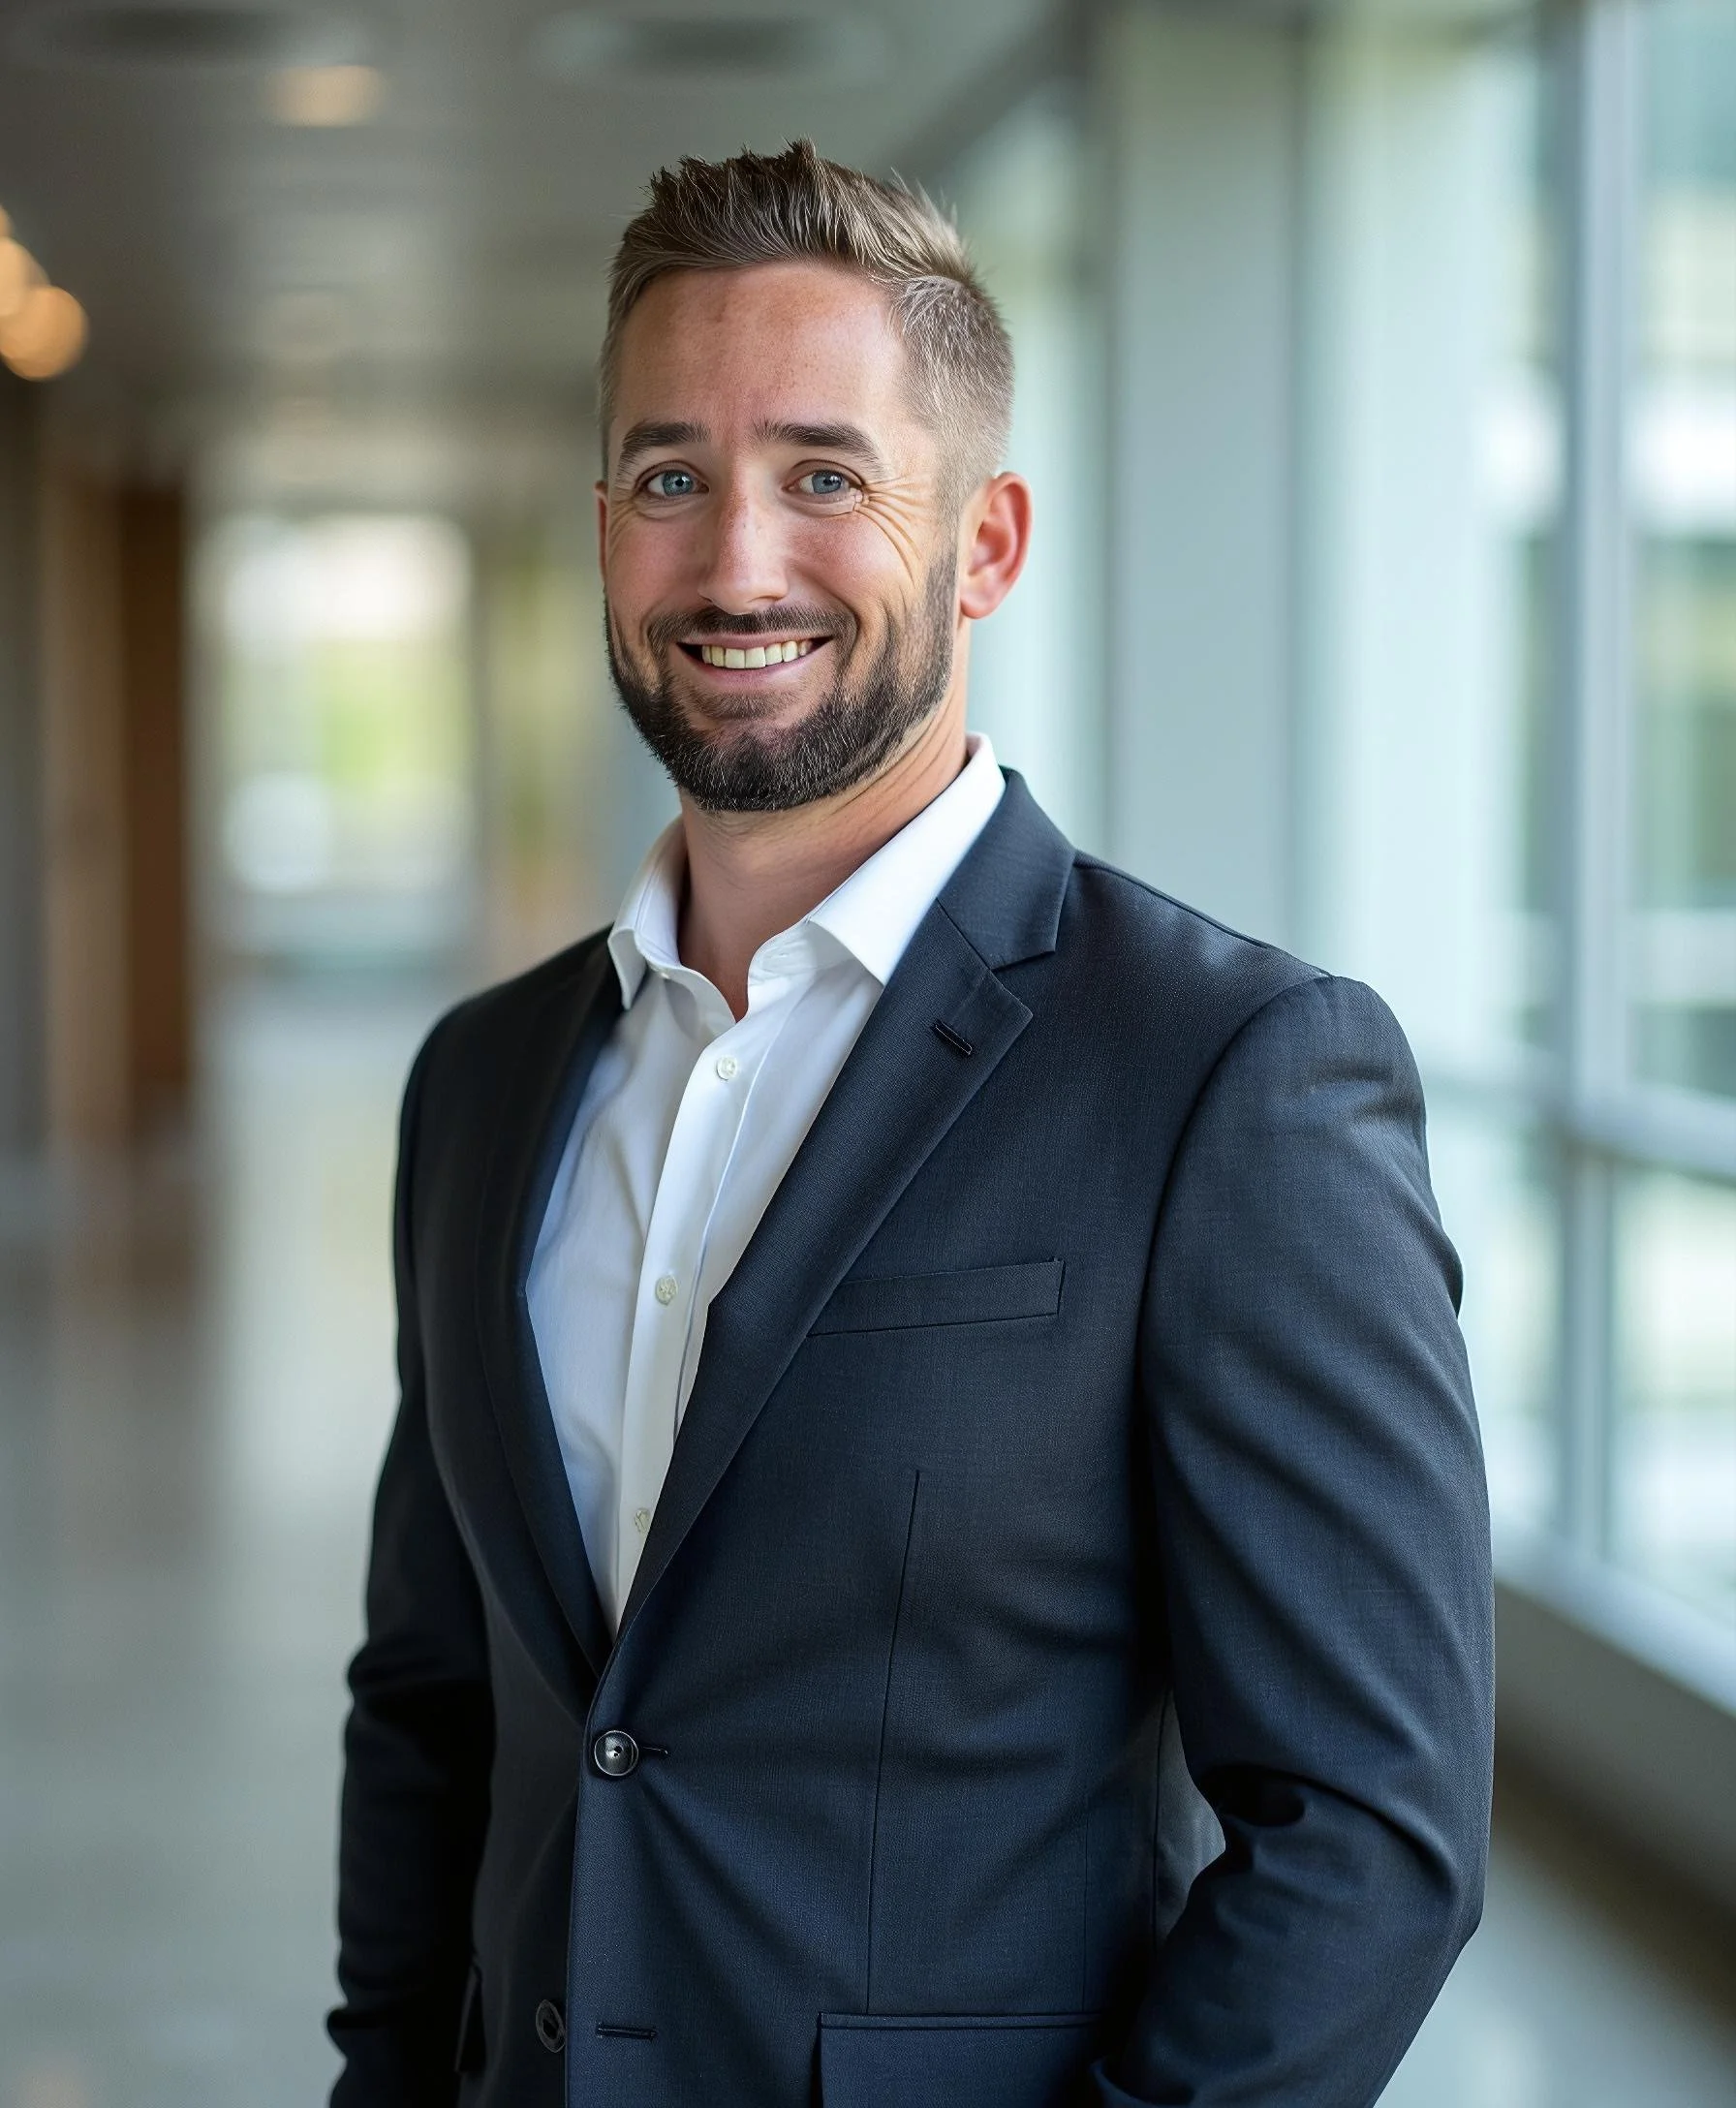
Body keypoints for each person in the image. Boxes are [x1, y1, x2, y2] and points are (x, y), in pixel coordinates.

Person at [328, 141, 1493, 2108]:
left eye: (823, 474)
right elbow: (437, 1703)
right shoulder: (483, 1080)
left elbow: (1368, 1832)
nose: (735, 564)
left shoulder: (1228, 1074)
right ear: (602, 520)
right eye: (671, 478)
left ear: (985, 543)